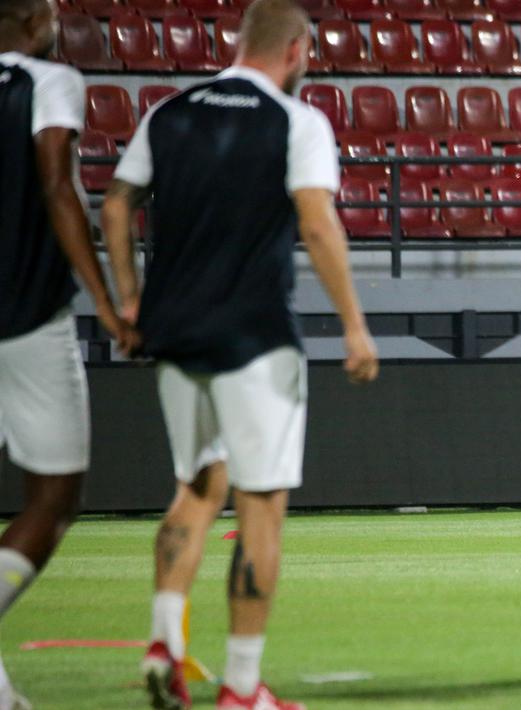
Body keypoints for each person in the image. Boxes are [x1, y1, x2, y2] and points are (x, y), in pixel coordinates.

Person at [101, 0, 379, 707]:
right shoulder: (297, 121)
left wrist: (128, 301)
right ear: (294, 51)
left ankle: (165, 638)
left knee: (198, 485)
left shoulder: (169, 112)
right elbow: (316, 221)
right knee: (261, 509)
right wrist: (354, 325)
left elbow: (115, 202)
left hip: (174, 331)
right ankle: (242, 688)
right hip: (253, 337)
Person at [0, 0, 135, 707]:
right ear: (31, 19)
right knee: (53, 498)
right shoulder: (48, 81)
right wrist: (109, 302)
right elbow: (57, 183)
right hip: (24, 315)